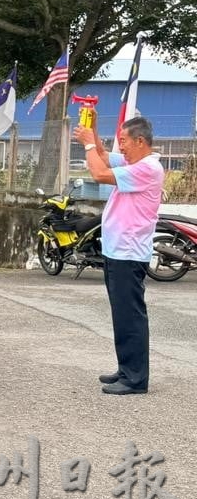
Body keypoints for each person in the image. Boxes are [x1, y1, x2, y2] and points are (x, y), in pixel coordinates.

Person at [75, 117, 163, 395]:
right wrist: (92, 125)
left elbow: (99, 173)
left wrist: (88, 143)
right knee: (121, 315)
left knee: (130, 315)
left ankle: (136, 378)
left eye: (124, 141)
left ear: (140, 141)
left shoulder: (148, 168)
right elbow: (103, 155)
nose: (120, 147)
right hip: (117, 249)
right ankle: (126, 368)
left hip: (129, 251)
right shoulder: (132, 163)